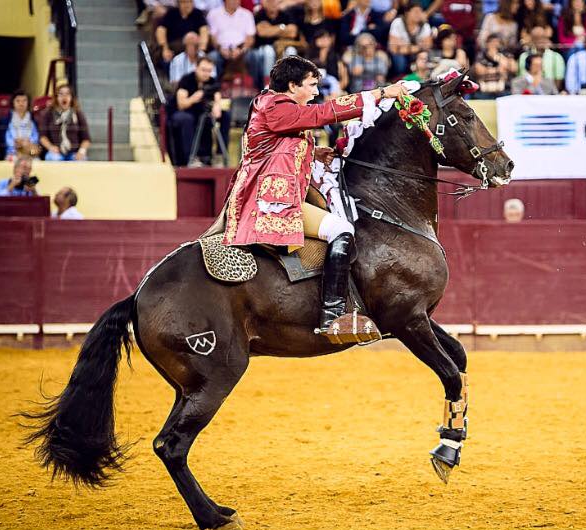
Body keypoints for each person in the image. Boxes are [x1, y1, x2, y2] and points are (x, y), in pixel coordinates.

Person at [221, 56, 410, 338]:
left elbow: (279, 145)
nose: (315, 92)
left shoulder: (270, 103)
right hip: (266, 202)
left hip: (271, 194)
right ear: (292, 85)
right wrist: (381, 93)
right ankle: (332, 313)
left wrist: (315, 152)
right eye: (310, 85)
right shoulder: (276, 106)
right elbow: (322, 114)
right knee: (342, 230)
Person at [171, 57, 231, 166]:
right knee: (187, 119)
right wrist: (193, 98)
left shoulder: (212, 81)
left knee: (225, 115)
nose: (206, 74)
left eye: (209, 71)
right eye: (203, 70)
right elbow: (181, 104)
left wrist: (217, 106)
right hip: (185, 112)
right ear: (196, 68)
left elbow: (217, 95)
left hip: (202, 112)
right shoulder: (187, 80)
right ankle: (190, 157)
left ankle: (219, 155)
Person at [252, 0, 301, 87]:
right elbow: (262, 32)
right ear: (264, 3)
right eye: (270, 2)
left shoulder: (285, 15)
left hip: (282, 46)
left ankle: (289, 83)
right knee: (268, 51)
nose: (273, 4)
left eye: (276, 2)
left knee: (291, 50)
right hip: (263, 49)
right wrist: (283, 28)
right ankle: (268, 84)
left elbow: (293, 32)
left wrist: (271, 28)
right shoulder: (260, 15)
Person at [206, 0, 257, 80]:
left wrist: (241, 49)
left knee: (253, 56)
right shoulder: (213, 14)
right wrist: (220, 49)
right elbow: (213, 37)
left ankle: (257, 87)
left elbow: (250, 38)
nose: (235, 1)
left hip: (241, 48)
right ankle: (215, 88)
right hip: (221, 49)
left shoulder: (247, 14)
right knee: (212, 57)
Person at [39, 84, 91, 161]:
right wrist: (51, 147)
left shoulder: (77, 113)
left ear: (71, 97)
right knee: (54, 159)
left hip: (74, 152)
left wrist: (81, 151)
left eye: (67, 94)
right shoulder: (48, 113)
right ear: (56, 97)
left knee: (81, 160)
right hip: (55, 151)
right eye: (61, 94)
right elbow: (42, 137)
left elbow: (86, 139)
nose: (64, 97)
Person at [388, 3, 433, 75]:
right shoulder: (398, 23)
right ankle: (399, 78)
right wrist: (418, 47)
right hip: (400, 54)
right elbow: (394, 48)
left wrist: (404, 46)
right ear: (407, 13)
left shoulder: (425, 25)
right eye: (415, 12)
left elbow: (427, 46)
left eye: (420, 11)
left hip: (415, 53)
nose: (418, 14)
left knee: (426, 57)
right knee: (400, 62)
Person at [308, 29, 348, 97]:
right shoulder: (310, 56)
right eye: (321, 37)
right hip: (316, 87)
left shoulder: (336, 56)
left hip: (333, 89)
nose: (324, 40)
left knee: (332, 81)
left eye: (326, 37)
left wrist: (335, 91)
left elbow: (344, 79)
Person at [473, 33, 516, 97]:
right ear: (487, 44)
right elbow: (479, 71)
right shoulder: (481, 55)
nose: (494, 44)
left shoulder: (506, 55)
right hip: (484, 88)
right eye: (492, 42)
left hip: (502, 88)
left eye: (497, 42)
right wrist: (498, 69)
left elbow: (513, 68)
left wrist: (498, 58)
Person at [4, 90, 40, 161]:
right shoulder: (6, 120)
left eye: (24, 101)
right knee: (11, 160)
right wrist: (17, 143)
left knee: (37, 160)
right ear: (13, 103)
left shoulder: (33, 119)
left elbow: (36, 139)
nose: (21, 104)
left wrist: (28, 143)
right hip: (13, 152)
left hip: (29, 152)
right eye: (18, 101)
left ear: (28, 103)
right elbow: (6, 140)